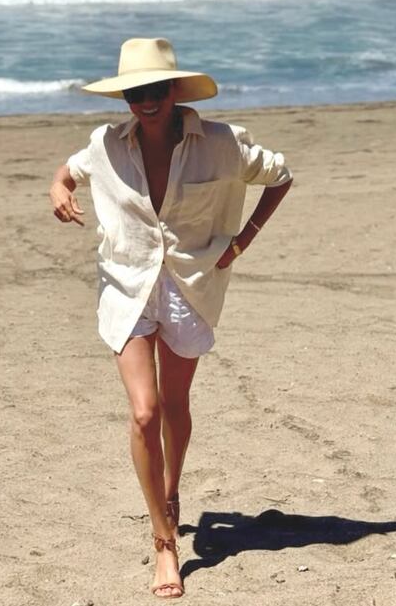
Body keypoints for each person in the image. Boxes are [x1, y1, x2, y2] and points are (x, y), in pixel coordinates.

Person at [48, 38, 293, 598]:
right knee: (144, 412)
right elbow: (68, 170)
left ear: (175, 90)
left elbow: (280, 176)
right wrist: (56, 187)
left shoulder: (223, 143)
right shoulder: (105, 145)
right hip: (127, 287)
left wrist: (243, 241)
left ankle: (170, 493)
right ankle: (164, 541)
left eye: (155, 88)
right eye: (134, 92)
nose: (145, 100)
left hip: (190, 286)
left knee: (175, 405)